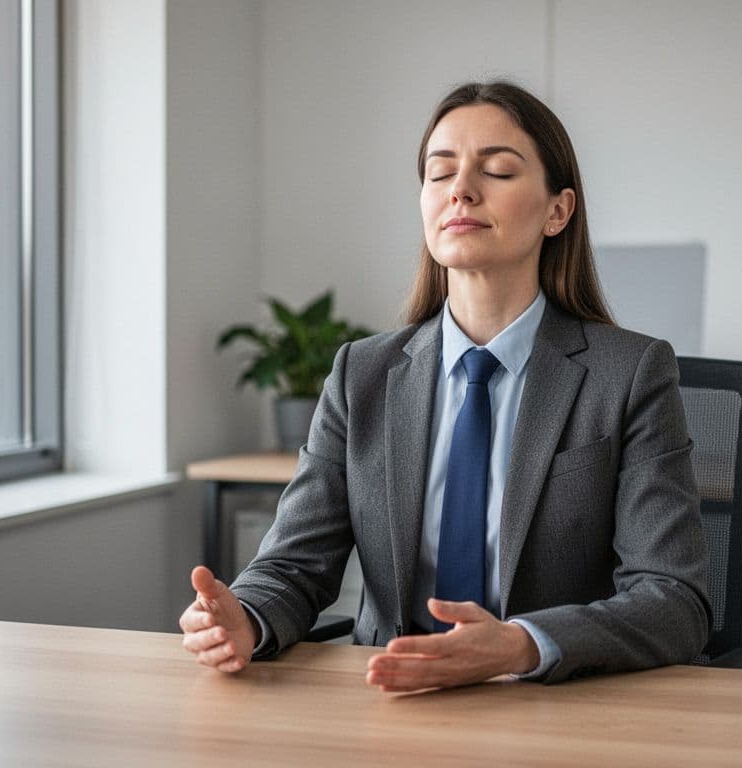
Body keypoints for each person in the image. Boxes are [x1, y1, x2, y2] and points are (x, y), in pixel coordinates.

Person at [179, 81, 710, 690]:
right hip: (393, 704)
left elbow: (674, 599)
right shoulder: (362, 375)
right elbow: (294, 565)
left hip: (553, 706)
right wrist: (244, 617)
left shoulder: (631, 374)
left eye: (498, 171)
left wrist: (519, 646)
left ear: (557, 211)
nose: (461, 189)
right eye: (440, 173)